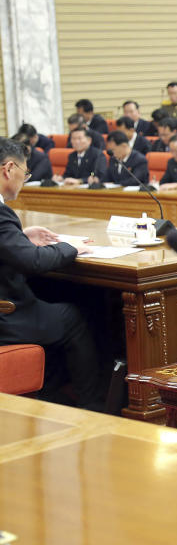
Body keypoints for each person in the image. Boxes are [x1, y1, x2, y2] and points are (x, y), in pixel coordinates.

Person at [0, 138, 103, 408]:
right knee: (76, 315)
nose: (24, 180)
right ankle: (92, 408)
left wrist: (20, 236)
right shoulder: (1, 215)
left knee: (52, 296)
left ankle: (53, 393)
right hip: (6, 319)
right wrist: (70, 247)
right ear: (8, 169)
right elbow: (32, 261)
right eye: (25, 173)